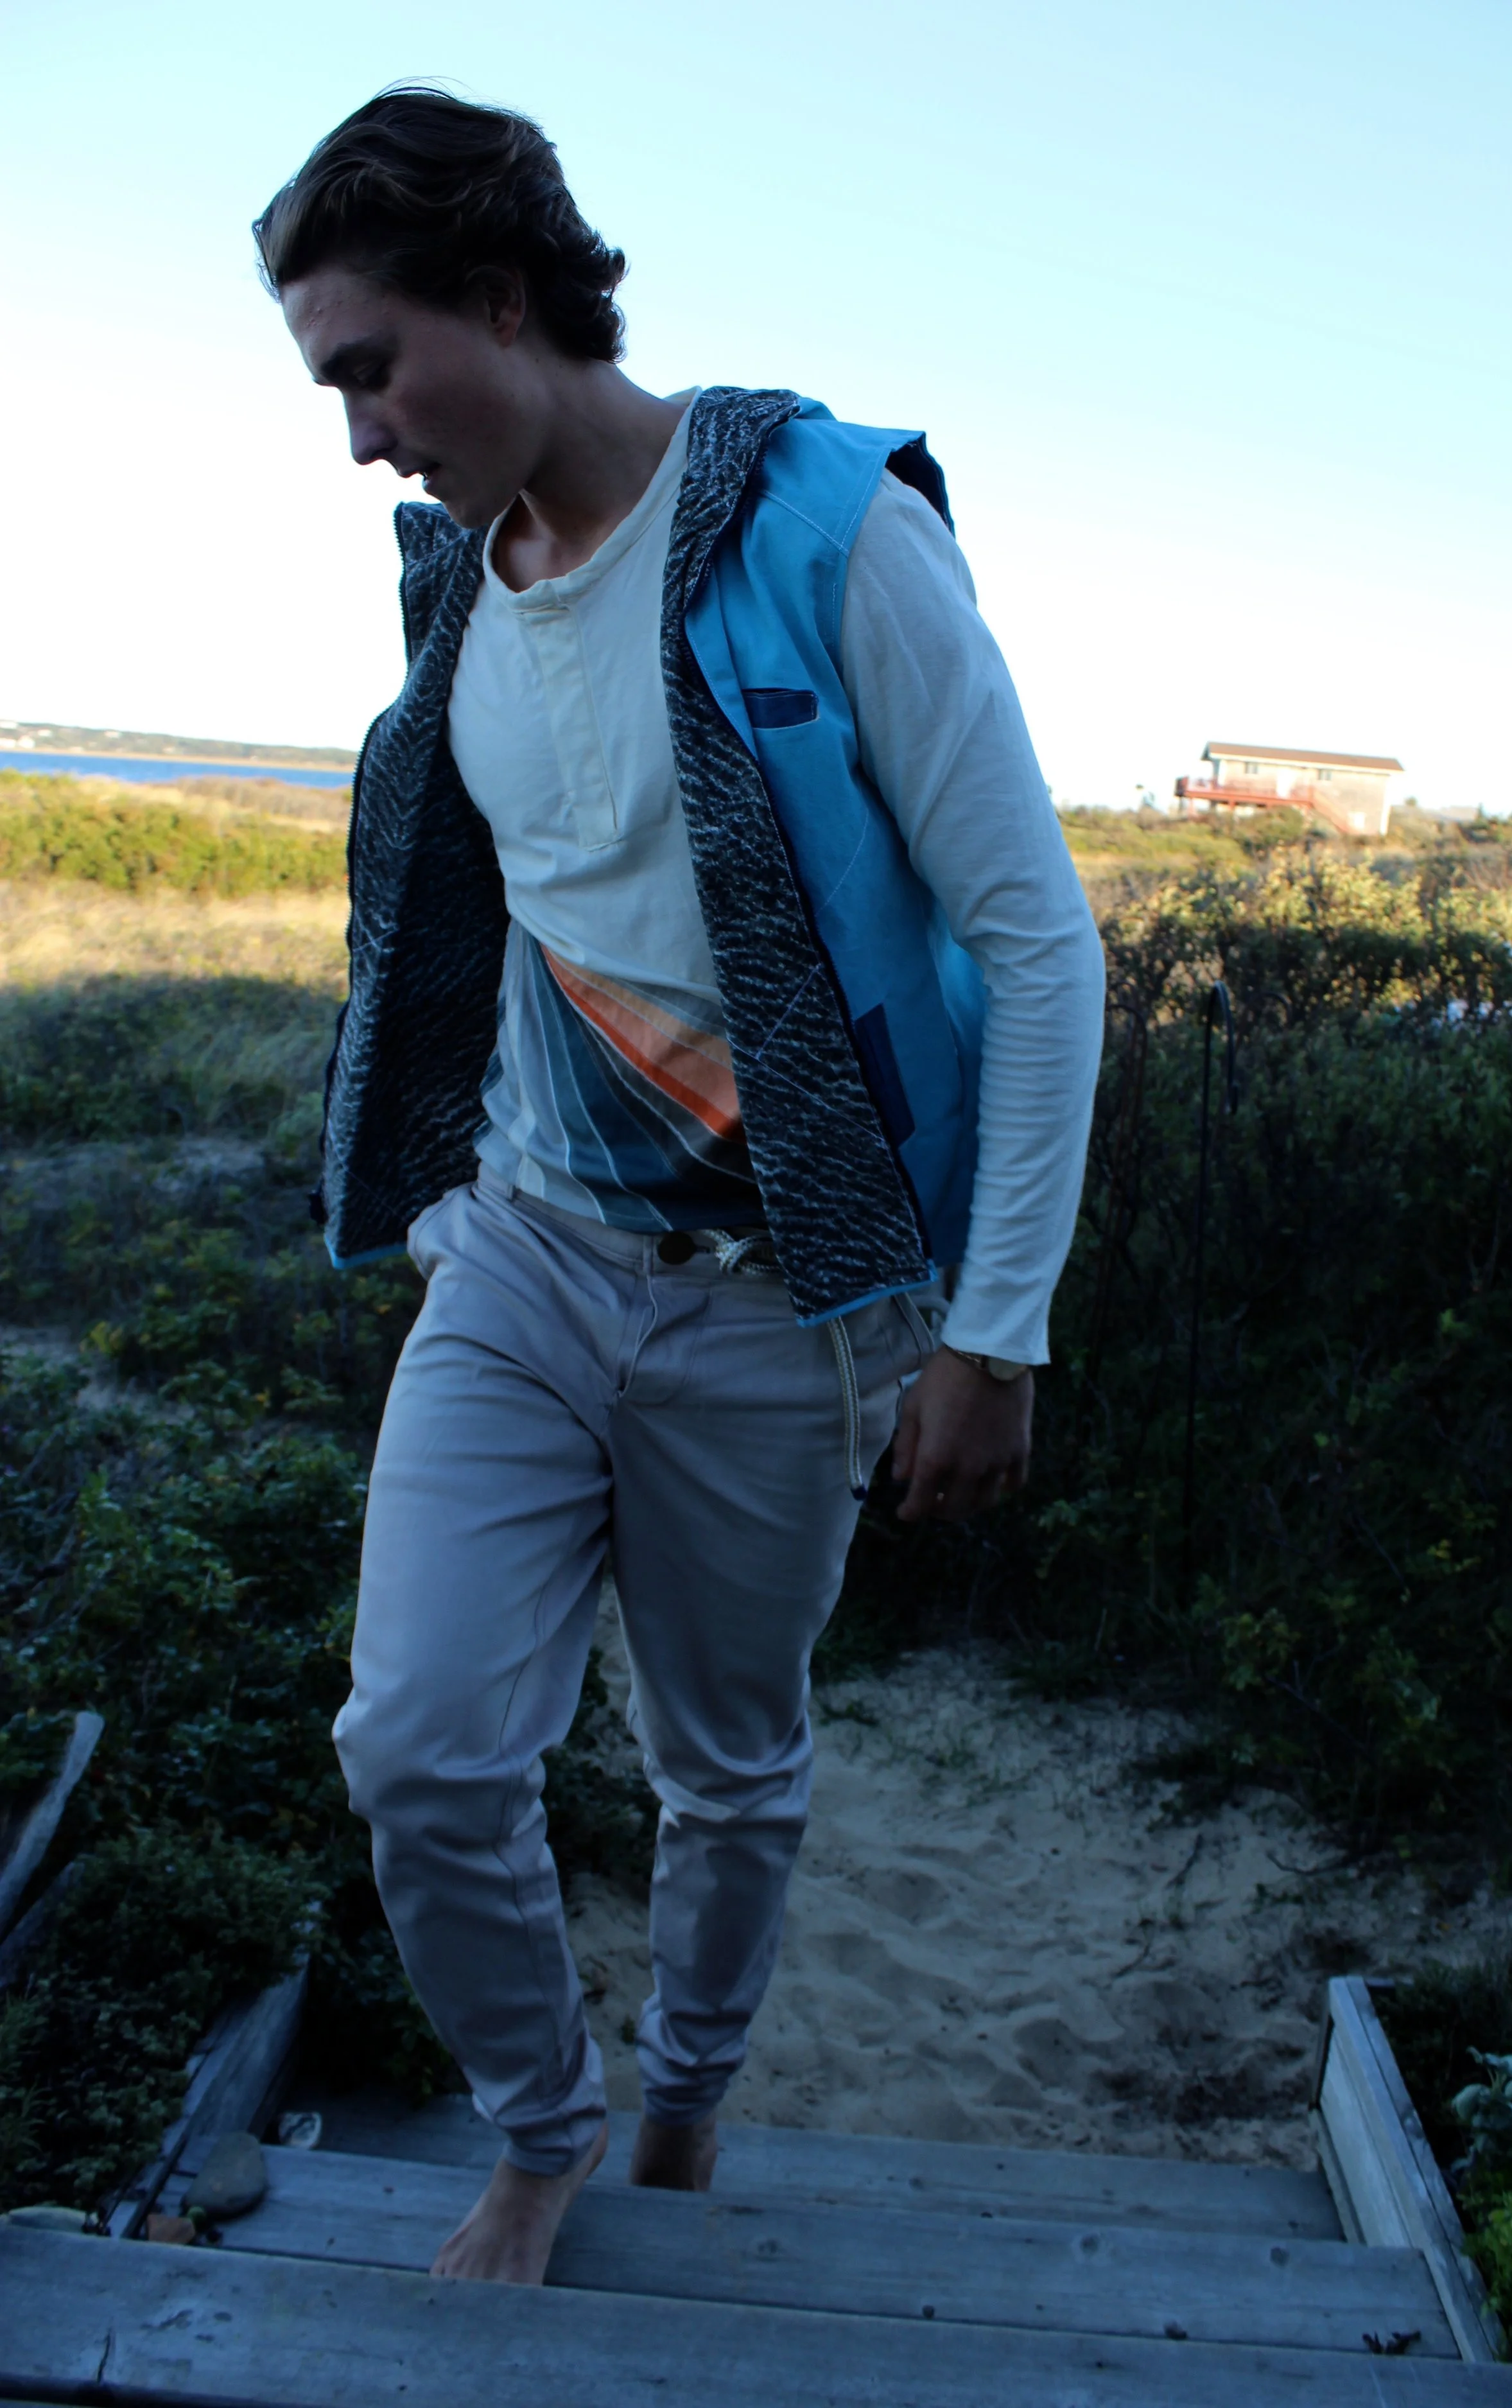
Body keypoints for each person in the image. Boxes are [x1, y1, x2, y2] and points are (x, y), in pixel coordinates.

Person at [254, 85, 1104, 2287]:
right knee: (417, 1743)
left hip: (772, 1301)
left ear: (502, 298)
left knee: (727, 1765)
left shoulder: (827, 532)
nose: (357, 436)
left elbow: (1034, 939)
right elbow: (512, 903)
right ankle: (540, 2123)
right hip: (522, 1254)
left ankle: (683, 2109)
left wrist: (992, 1329)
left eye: (370, 369)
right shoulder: (460, 581)